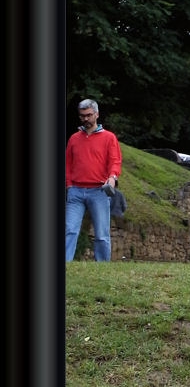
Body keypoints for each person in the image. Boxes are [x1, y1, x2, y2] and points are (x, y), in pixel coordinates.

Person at [65, 98, 123, 263]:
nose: (86, 119)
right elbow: (68, 164)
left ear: (97, 114)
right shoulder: (74, 139)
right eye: (82, 115)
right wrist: (69, 184)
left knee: (102, 233)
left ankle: (102, 266)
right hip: (76, 190)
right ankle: (65, 264)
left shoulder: (109, 138)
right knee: (70, 229)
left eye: (89, 115)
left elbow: (115, 161)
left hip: (99, 190)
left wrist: (112, 178)